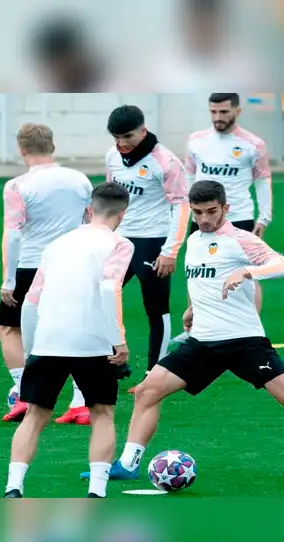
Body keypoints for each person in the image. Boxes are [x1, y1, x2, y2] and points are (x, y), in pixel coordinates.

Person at [96, 180, 284, 482]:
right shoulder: (196, 240)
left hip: (244, 342)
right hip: (203, 342)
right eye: (197, 212)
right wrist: (193, 309)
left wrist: (248, 271)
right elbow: (202, 278)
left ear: (226, 208)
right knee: (147, 391)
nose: (204, 219)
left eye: (211, 211)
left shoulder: (241, 239)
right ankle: (129, 464)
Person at [3, 182, 134, 498]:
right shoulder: (120, 244)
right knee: (102, 414)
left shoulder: (56, 244)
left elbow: (32, 299)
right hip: (92, 343)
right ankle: (96, 492)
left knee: (35, 416)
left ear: (89, 210)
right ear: (123, 213)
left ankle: (13, 487)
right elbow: (108, 289)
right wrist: (119, 341)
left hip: (48, 341)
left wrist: (34, 349)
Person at [0, 123, 95, 424]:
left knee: (9, 329)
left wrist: (9, 279)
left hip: (32, 265)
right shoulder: (80, 180)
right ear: (52, 146)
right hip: (74, 263)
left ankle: (25, 394)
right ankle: (80, 403)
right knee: (75, 331)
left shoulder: (17, 185)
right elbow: (89, 221)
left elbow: (13, 234)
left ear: (21, 149)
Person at [170, 92, 273, 347]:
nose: (218, 117)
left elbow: (262, 180)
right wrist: (188, 211)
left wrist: (264, 217)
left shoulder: (253, 144)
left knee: (248, 275)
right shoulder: (196, 141)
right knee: (197, 270)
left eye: (224, 112)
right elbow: (190, 178)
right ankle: (195, 329)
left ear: (237, 111)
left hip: (239, 217)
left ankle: (252, 332)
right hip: (204, 215)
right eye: (213, 112)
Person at [105, 105, 190, 392]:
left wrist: (170, 250)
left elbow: (181, 204)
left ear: (143, 130)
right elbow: (110, 199)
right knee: (99, 297)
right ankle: (114, 363)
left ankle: (156, 373)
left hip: (152, 241)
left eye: (127, 136)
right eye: (116, 137)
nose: (121, 143)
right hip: (119, 240)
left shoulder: (165, 161)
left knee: (155, 309)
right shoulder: (112, 156)